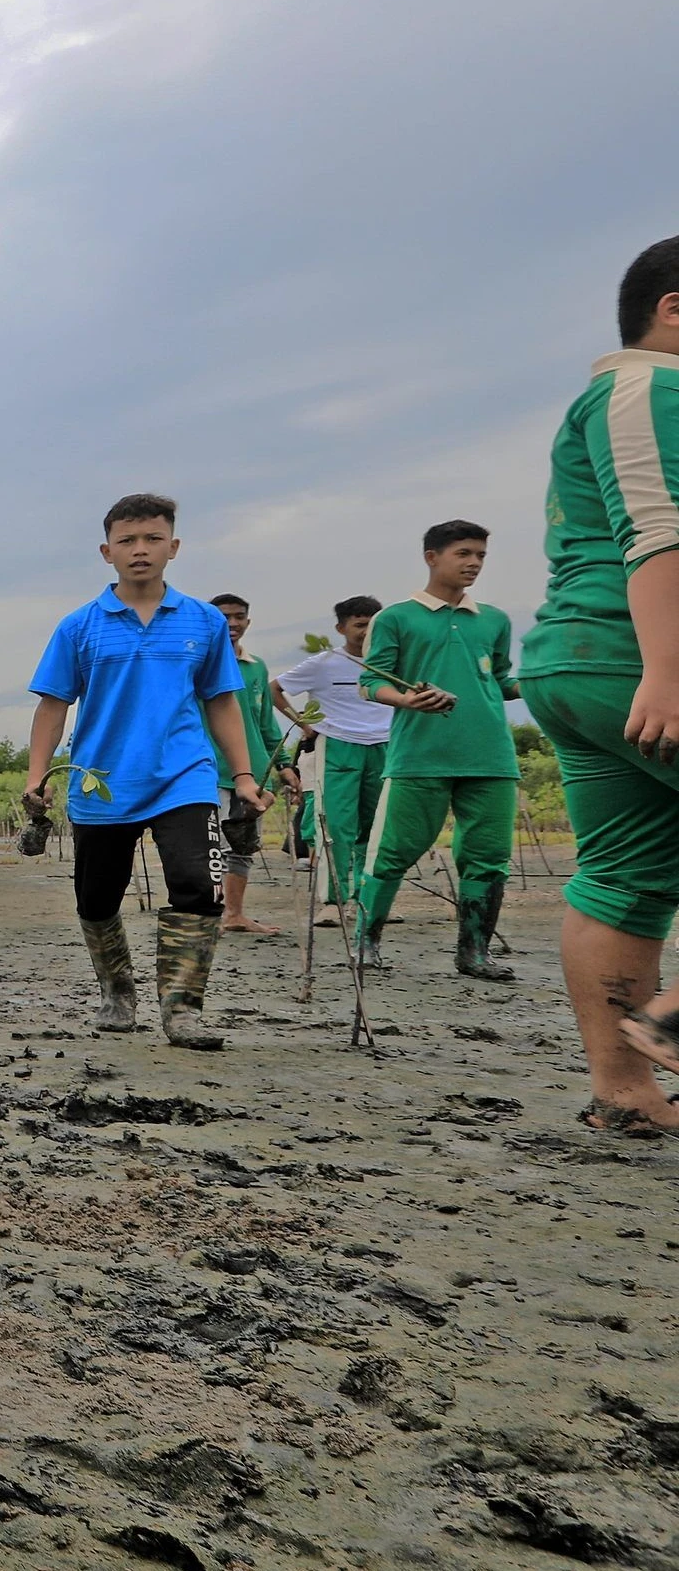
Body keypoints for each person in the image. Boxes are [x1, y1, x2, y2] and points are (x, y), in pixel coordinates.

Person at [522, 235, 679, 1128]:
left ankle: (626, 1093)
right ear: (673, 308)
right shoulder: (648, 387)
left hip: (590, 662)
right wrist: (664, 670)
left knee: (623, 878)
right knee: (625, 875)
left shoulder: (616, 399)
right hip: (633, 657)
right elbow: (658, 530)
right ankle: (668, 1027)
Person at [23, 494, 270, 1051]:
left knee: (199, 885)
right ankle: (117, 993)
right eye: (128, 541)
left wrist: (246, 775)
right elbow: (53, 704)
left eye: (153, 539)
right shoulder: (80, 627)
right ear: (107, 551)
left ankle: (181, 1011)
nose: (141, 550)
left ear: (173, 547)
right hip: (101, 780)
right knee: (96, 898)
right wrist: (37, 776)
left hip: (183, 775)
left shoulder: (204, 622)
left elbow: (222, 701)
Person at [354, 522, 522, 981]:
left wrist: (547, 683)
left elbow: (502, 682)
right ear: (431, 556)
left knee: (489, 856)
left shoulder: (494, 619)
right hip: (419, 755)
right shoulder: (396, 617)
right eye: (463, 553)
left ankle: (474, 952)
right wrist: (406, 699)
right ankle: (366, 941)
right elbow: (370, 682)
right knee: (392, 851)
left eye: (481, 555)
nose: (474, 563)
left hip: (491, 755)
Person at [274, 596, 394, 928]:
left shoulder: (392, 661)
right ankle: (334, 901)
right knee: (336, 827)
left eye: (373, 624)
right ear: (341, 628)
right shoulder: (324, 663)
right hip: (338, 745)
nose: (367, 631)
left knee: (377, 828)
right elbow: (275, 689)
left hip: (383, 746)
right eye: (359, 624)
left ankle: (370, 898)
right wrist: (304, 724)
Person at [205, 594, 299, 935]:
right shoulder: (197, 662)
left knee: (244, 845)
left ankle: (234, 914)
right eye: (223, 617)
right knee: (213, 846)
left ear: (248, 621)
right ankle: (207, 915)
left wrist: (284, 765)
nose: (232, 624)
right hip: (210, 768)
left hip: (255, 773)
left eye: (239, 617)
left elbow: (265, 722)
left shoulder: (255, 666)